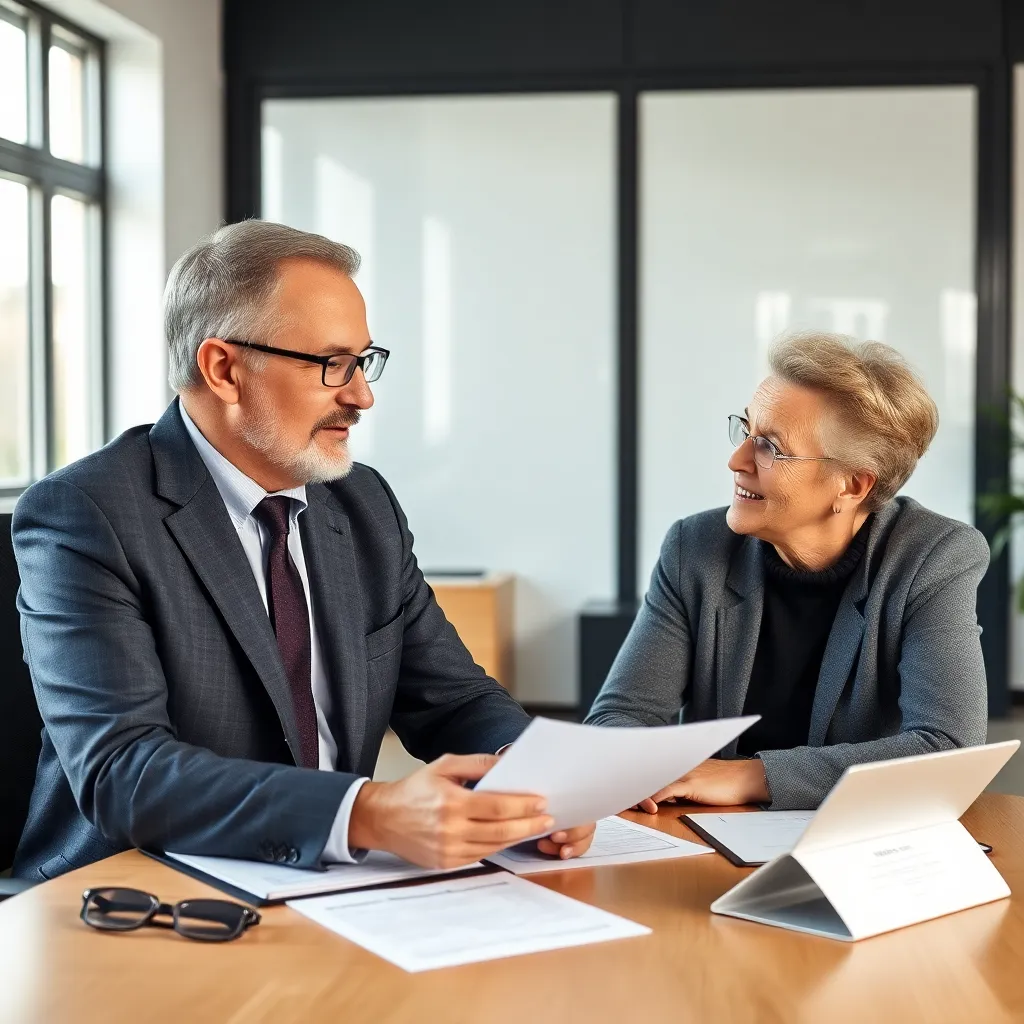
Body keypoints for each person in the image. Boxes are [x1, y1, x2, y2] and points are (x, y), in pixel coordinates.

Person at [12, 220, 594, 880]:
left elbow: (454, 700)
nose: (362, 395)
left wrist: (538, 780)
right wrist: (366, 813)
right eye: (332, 365)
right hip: (138, 896)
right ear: (224, 369)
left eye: (365, 361)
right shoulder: (89, 514)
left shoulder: (361, 502)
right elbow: (121, 771)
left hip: (331, 891)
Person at [586, 332, 988, 811]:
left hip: (856, 842)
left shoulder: (932, 557)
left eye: (770, 447)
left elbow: (945, 748)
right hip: (705, 832)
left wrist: (751, 776)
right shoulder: (694, 548)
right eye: (746, 430)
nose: (735, 461)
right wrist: (633, 767)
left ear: (852, 485)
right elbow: (621, 715)